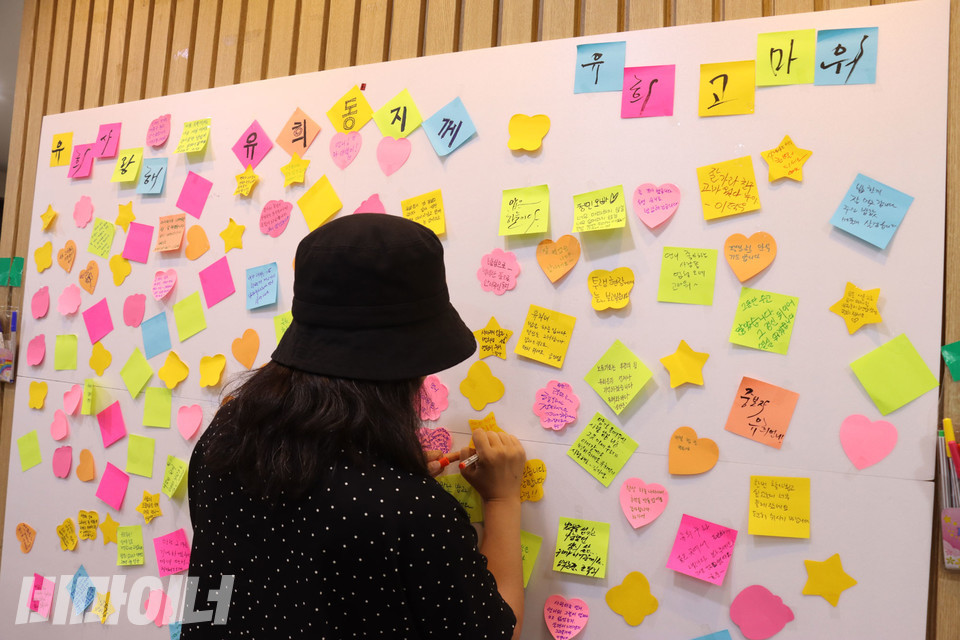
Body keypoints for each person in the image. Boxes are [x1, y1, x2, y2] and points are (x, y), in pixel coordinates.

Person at [182, 214, 526, 639]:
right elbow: (496, 633)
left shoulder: (225, 436)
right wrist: (503, 499)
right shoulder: (412, 513)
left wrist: (385, 476)